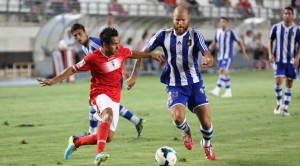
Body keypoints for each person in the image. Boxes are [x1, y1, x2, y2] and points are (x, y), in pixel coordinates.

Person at [37, 27, 164, 165]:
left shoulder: (119, 50)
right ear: (104, 45)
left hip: (115, 96)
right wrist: (52, 81)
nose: (117, 46)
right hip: (99, 93)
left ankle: (76, 141)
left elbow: (132, 53)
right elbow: (72, 69)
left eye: (118, 43)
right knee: (107, 116)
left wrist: (151, 55)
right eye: (114, 44)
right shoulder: (93, 57)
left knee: (108, 137)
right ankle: (99, 155)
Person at [126, 6, 216, 160]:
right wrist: (134, 76)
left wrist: (208, 59)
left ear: (188, 19)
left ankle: (206, 144)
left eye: (183, 20)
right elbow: (142, 53)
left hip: (195, 84)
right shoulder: (163, 35)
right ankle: (185, 130)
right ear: (172, 19)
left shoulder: (195, 35)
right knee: (178, 118)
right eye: (177, 20)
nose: (180, 23)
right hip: (175, 84)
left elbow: (207, 53)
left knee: (206, 123)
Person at [70, 23, 145, 137]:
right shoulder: (84, 47)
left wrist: (123, 71)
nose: (78, 37)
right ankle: (137, 121)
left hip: (113, 78)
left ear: (86, 32)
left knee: (96, 102)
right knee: (106, 104)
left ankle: (92, 132)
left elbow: (115, 52)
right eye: (75, 36)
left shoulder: (95, 43)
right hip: (104, 79)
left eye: (80, 34)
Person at [268, 6, 300, 116]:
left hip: (291, 61)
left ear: (293, 15)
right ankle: (278, 104)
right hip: (279, 60)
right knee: (278, 81)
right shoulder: (276, 27)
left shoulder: (297, 29)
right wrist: (270, 53)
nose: (287, 15)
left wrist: (297, 58)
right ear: (283, 14)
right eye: (285, 13)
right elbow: (270, 41)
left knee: (289, 83)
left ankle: (285, 108)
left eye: (289, 13)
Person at [209, 17, 249, 98]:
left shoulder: (231, 32)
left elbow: (239, 42)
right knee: (224, 73)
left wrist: (244, 52)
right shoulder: (218, 32)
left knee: (223, 71)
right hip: (220, 56)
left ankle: (217, 89)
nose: (222, 23)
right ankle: (228, 91)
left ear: (227, 23)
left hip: (227, 56)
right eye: (221, 22)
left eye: (224, 22)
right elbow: (213, 43)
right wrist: (207, 52)